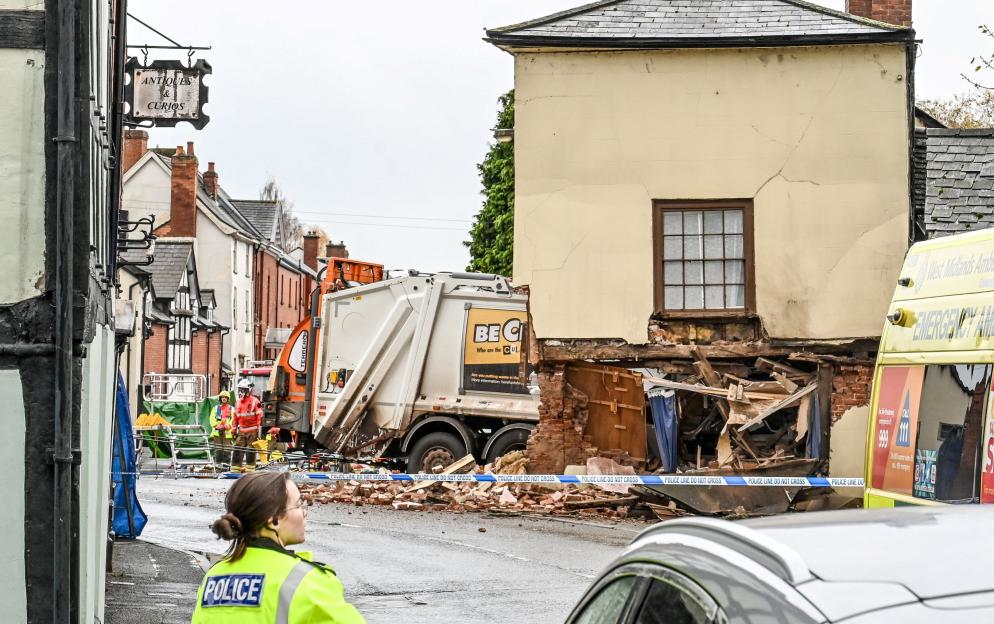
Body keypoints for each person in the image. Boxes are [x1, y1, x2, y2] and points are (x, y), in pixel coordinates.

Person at [192, 472, 366, 623]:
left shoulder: (213, 577)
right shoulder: (307, 580)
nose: (305, 512)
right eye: (298, 505)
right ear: (273, 520)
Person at [231, 379, 263, 470]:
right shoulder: (238, 402)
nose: (241, 392)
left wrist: (259, 432)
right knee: (237, 447)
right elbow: (235, 418)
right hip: (241, 431)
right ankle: (235, 468)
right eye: (240, 389)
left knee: (250, 449)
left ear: (248, 390)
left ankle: (250, 468)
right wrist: (233, 430)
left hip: (252, 431)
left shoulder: (255, 401)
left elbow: (259, 417)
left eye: (243, 389)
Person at [211, 391, 234, 466]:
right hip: (217, 433)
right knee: (218, 450)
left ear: (228, 399)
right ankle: (218, 466)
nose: (224, 399)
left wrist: (228, 425)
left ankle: (226, 466)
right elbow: (211, 419)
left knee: (227, 450)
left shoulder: (232, 409)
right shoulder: (215, 408)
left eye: (225, 397)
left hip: (227, 433)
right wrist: (216, 426)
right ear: (220, 398)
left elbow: (234, 419)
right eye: (222, 397)